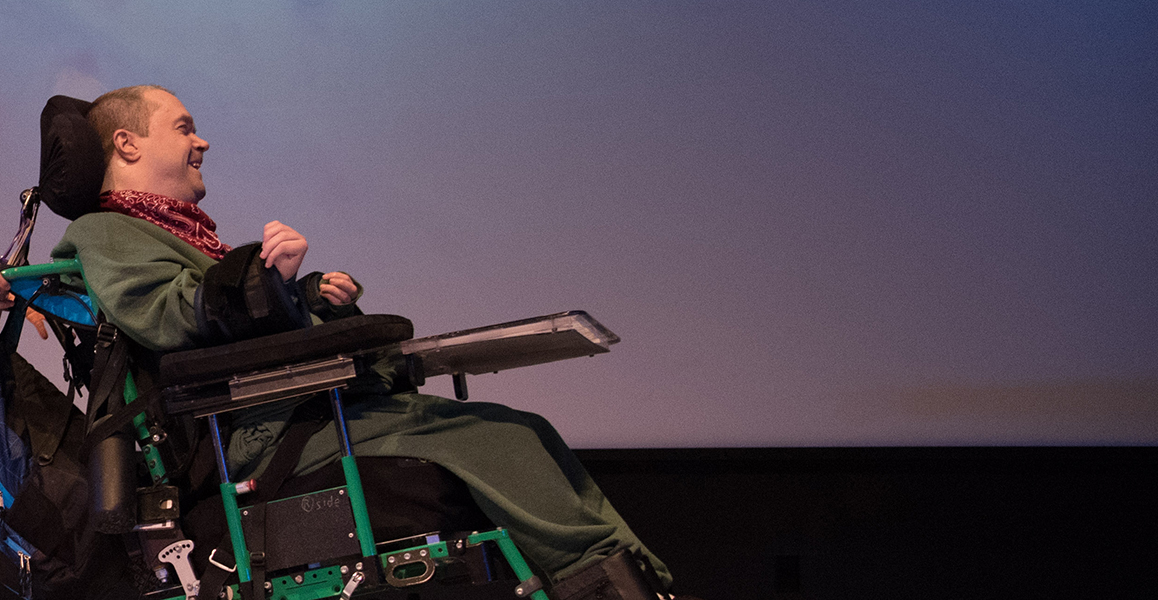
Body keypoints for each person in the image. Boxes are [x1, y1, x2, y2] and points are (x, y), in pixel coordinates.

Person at [1, 85, 693, 599]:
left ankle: (628, 580)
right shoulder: (104, 233)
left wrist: (301, 300)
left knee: (519, 431)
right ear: (126, 144)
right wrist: (260, 280)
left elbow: (219, 319)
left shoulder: (172, 234)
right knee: (504, 438)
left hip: (278, 413)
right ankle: (611, 585)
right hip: (253, 436)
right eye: (183, 126)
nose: (202, 140)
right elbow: (165, 315)